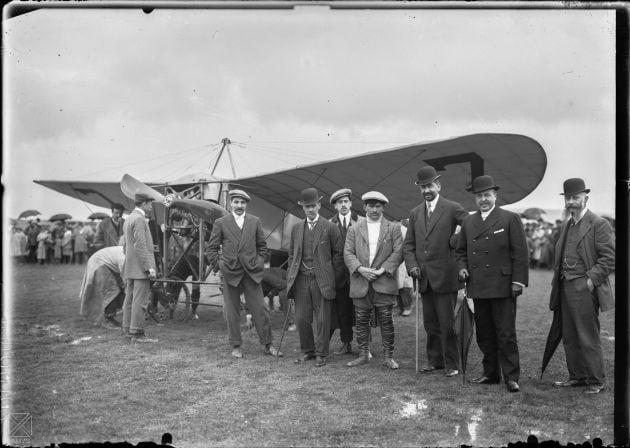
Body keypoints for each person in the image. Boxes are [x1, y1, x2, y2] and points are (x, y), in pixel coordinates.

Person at [456, 175, 529, 393]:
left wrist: (518, 281)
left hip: (503, 285)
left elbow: (521, 253)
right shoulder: (468, 222)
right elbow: (460, 251)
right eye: (479, 196)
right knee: (485, 333)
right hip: (478, 285)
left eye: (487, 195)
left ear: (495, 195)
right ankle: (490, 373)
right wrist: (462, 267)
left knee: (506, 333)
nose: (483, 199)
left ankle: (511, 376)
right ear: (474, 199)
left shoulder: (510, 218)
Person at [549, 178, 615, 395]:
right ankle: (577, 376)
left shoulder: (599, 224)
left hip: (584, 286)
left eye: (575, 197)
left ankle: (596, 380)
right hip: (565, 284)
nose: (571, 201)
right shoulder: (567, 223)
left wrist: (590, 280)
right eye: (568, 198)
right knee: (569, 334)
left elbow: (609, 258)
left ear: (585, 197)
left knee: (587, 334)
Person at [403, 166, 468, 377]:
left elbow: (471, 226)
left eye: (430, 185)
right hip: (423, 278)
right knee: (430, 324)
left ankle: (452, 364)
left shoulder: (452, 207)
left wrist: (455, 239)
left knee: (447, 323)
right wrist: (412, 265)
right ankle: (435, 361)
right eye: (423, 187)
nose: (426, 190)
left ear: (438, 185)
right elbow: (409, 246)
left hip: (446, 278)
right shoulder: (414, 213)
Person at [206, 189, 282, 358]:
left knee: (260, 309)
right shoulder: (221, 222)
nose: (239, 206)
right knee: (232, 312)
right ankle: (236, 346)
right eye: (236, 202)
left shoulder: (255, 222)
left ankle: (267, 344)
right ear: (230, 203)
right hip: (230, 272)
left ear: (246, 204)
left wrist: (259, 262)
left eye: (242, 203)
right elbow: (211, 249)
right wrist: (219, 265)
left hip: (251, 272)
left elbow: (262, 247)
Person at [343, 191, 403, 369]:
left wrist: (382, 270)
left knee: (386, 320)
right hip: (361, 282)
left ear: (383, 207)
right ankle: (363, 355)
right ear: (364, 207)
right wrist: (361, 269)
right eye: (371, 206)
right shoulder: (354, 229)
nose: (374, 209)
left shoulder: (393, 228)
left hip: (384, 281)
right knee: (361, 320)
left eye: (378, 206)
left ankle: (388, 357)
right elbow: (347, 253)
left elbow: (398, 252)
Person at [286, 187, 344, 367]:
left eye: (313, 206)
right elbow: (291, 254)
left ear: (319, 205)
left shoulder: (330, 227)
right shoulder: (296, 228)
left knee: (322, 319)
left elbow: (338, 255)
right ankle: (307, 350)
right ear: (302, 208)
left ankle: (321, 353)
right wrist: (291, 274)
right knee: (302, 318)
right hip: (302, 279)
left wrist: (331, 276)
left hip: (322, 280)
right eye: (306, 206)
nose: (310, 209)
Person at [122, 192, 158, 343]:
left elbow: (126, 245)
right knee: (140, 301)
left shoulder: (129, 218)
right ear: (143, 204)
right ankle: (137, 333)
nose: (151, 206)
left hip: (130, 266)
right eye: (150, 203)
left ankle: (128, 329)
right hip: (140, 267)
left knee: (129, 299)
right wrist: (148, 267)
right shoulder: (140, 219)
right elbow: (140, 245)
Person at [328, 187, 359, 355]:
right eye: (340, 202)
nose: (343, 205)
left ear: (351, 203)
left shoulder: (361, 221)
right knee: (343, 311)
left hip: (358, 274)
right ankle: (346, 343)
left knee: (362, 310)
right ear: (335, 206)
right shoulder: (328, 224)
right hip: (338, 276)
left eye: (346, 201)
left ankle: (364, 345)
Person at [79, 245, 126, 328]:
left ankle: (110, 316)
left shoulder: (128, 253)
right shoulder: (124, 258)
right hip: (99, 263)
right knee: (111, 291)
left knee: (117, 288)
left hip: (103, 261)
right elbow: (125, 279)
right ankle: (107, 319)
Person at [396, 220, 414, 316]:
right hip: (395, 261)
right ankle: (401, 307)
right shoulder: (389, 229)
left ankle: (408, 307)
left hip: (404, 261)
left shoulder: (404, 230)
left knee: (405, 285)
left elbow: (409, 246)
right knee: (397, 285)